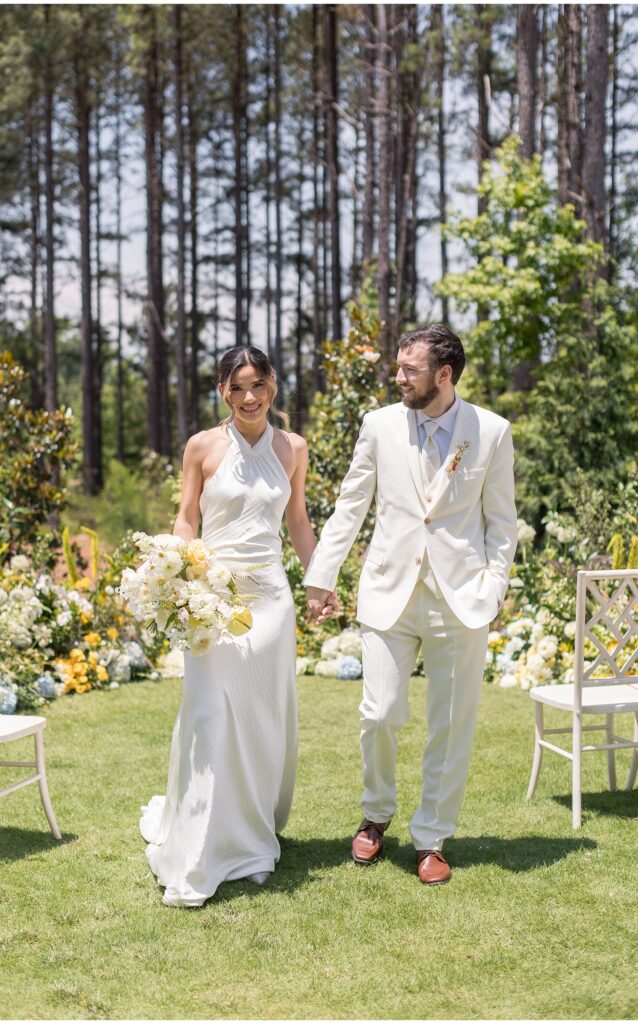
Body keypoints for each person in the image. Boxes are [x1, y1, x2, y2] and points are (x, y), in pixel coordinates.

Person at [305, 324, 517, 885]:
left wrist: (492, 587)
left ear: (444, 375)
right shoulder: (379, 425)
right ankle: (376, 814)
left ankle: (431, 838)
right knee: (379, 712)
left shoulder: (491, 432)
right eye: (397, 368)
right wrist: (320, 577)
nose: (397, 378)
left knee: (451, 724)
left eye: (409, 370)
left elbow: (503, 523)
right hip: (388, 590)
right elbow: (351, 505)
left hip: (460, 598)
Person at [140, 346, 337, 906]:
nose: (249, 397)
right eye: (236, 388)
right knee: (207, 713)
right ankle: (199, 846)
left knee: (259, 718)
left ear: (273, 384)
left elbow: (297, 522)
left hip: (271, 602)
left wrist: (318, 582)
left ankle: (251, 840)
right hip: (211, 601)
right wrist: (174, 577)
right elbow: (187, 516)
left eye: (258, 385)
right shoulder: (202, 446)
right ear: (222, 392)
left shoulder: (292, 448)